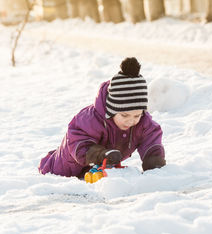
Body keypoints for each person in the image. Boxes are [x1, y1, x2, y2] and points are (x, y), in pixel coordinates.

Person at [38, 57, 166, 178]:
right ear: (111, 109)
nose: (131, 120)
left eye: (137, 115)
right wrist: (100, 155)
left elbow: (151, 138)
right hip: (63, 171)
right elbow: (77, 141)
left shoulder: (143, 122)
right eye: (125, 115)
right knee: (63, 171)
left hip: (97, 172)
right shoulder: (89, 119)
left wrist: (153, 161)